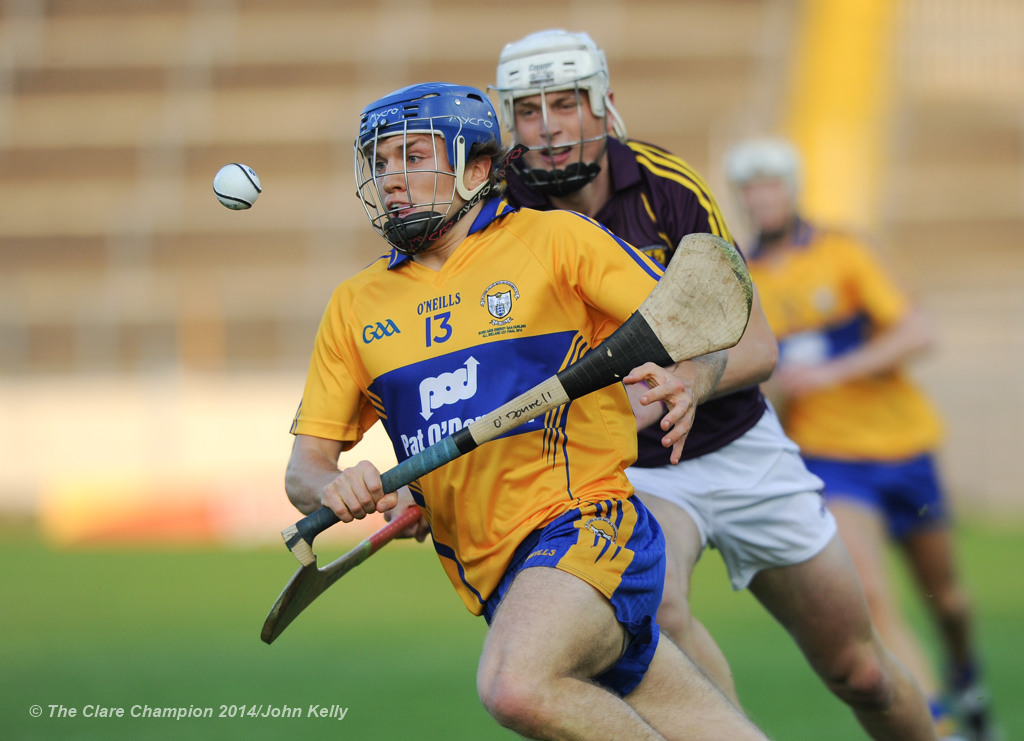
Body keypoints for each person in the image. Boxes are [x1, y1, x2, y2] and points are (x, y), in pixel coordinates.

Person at [284, 80, 769, 740]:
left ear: (477, 168)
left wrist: (689, 376)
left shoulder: (556, 242)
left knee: (515, 684)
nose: (392, 178)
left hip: (588, 523)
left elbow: (694, 310)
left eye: (414, 157)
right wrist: (336, 484)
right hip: (501, 576)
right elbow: (304, 466)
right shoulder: (355, 305)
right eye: (382, 161)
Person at [491, 28, 938, 741]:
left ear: (604, 106)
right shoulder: (499, 219)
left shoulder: (668, 190)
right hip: (636, 471)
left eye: (566, 103)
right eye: (529, 110)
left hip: (739, 444)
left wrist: (692, 381)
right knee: (658, 608)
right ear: (507, 122)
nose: (548, 128)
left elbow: (758, 343)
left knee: (861, 670)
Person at [726, 135, 996, 741]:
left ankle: (967, 678)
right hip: (830, 458)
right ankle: (941, 727)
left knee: (947, 599)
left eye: (771, 183)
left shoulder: (844, 253)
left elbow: (917, 331)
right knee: (870, 593)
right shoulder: (741, 277)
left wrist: (832, 371)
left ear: (791, 188)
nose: (761, 196)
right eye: (750, 187)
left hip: (905, 447)